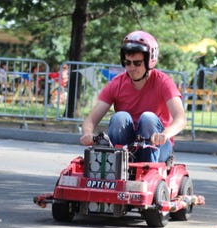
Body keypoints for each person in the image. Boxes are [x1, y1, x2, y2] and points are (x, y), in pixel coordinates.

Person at [79, 31, 187, 163]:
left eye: (137, 63)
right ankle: (119, 162)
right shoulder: (116, 83)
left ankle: (148, 167)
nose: (131, 68)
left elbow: (181, 119)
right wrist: (88, 133)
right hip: (127, 148)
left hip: (158, 147)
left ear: (150, 61)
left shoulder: (164, 82)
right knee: (120, 117)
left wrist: (165, 134)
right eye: (127, 62)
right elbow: (90, 120)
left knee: (148, 118)